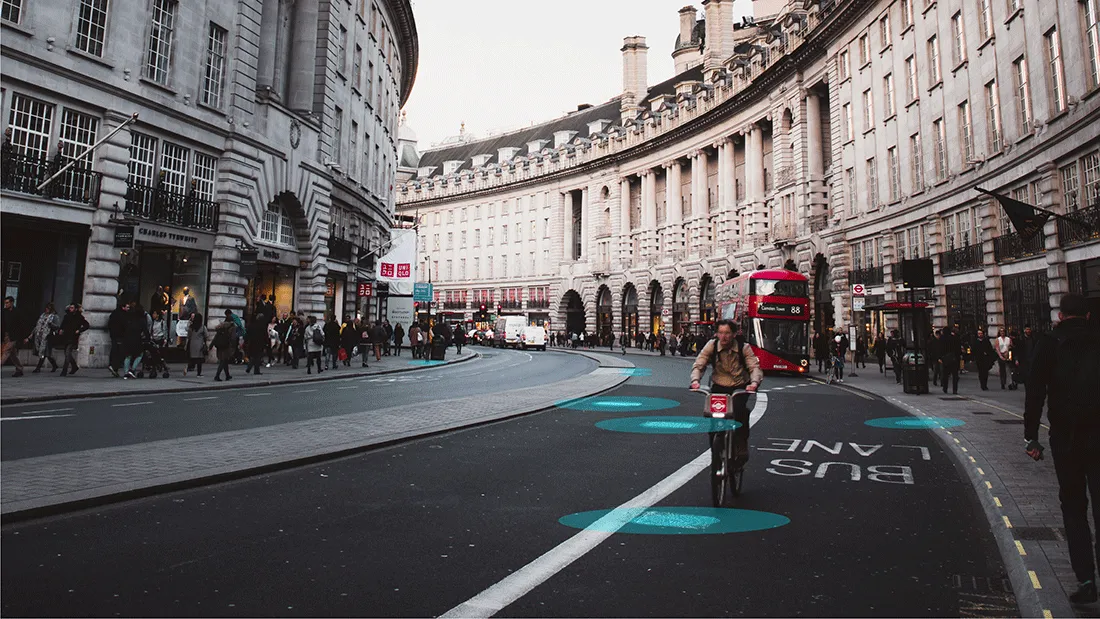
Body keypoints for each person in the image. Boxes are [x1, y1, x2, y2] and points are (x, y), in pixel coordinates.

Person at [1022, 293, 1100, 604]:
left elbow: (1035, 390)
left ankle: (1086, 579)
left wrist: (1031, 435)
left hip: (1066, 437)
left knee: (1074, 507)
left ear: (1061, 315)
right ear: (1088, 316)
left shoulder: (1050, 342)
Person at [690, 319, 763, 469]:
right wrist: (695, 380)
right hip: (719, 386)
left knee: (739, 411)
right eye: (721, 333)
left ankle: (741, 444)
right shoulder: (712, 345)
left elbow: (754, 367)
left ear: (734, 334)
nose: (724, 337)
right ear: (716, 333)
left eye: (727, 333)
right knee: (712, 416)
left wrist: (754, 383)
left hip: (739, 387)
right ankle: (716, 446)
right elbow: (700, 363)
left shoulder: (744, 348)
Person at [57, 303, 90, 377]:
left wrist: (79, 330)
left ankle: (64, 370)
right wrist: (61, 330)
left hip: (73, 337)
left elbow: (86, 325)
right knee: (66, 353)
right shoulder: (67, 316)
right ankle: (74, 366)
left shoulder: (79, 317)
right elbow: (63, 324)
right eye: (70, 308)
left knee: (68, 352)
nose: (70, 309)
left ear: (75, 309)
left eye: (72, 308)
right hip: (66, 336)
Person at [28, 302, 60, 373]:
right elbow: (37, 326)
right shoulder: (42, 315)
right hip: (39, 336)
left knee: (43, 352)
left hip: (47, 336)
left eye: (48, 308)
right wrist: (32, 334)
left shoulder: (54, 316)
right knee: (46, 353)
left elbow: (57, 326)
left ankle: (38, 367)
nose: (46, 309)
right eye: (46, 308)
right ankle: (54, 365)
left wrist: (51, 324)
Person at [121, 303, 149, 379]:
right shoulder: (142, 319)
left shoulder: (129, 317)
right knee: (140, 354)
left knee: (128, 355)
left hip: (127, 338)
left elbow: (123, 327)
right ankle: (132, 369)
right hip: (136, 339)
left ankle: (126, 372)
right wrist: (147, 339)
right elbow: (146, 331)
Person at [1, 296, 24, 377]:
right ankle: (19, 368)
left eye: (7, 303)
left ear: (12, 303)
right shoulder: (4, 312)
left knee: (6, 351)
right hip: (6, 335)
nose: (6, 304)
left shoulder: (17, 312)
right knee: (12, 354)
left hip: (14, 336)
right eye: (5, 303)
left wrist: (22, 337)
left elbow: (21, 325)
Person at [212, 315, 237, 381]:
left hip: (219, 345)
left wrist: (211, 345)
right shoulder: (232, 327)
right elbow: (233, 338)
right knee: (223, 361)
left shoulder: (221, 326)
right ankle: (217, 376)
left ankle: (227, 375)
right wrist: (234, 346)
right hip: (227, 345)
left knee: (225, 360)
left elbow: (216, 337)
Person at [107, 301, 129, 377]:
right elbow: (125, 325)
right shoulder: (124, 315)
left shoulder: (114, 314)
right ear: (123, 307)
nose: (128, 309)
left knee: (114, 349)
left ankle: (111, 365)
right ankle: (115, 366)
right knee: (120, 352)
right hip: (120, 335)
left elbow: (109, 324)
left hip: (113, 335)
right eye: (127, 307)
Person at [183, 312, 208, 377]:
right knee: (199, 361)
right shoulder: (202, 327)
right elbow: (206, 335)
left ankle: (188, 367)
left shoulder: (191, 327)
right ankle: (199, 374)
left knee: (192, 359)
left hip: (192, 344)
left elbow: (189, 336)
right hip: (199, 345)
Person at [939, 327, 962, 395]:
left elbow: (940, 349)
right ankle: (955, 389)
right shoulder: (954, 338)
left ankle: (945, 388)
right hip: (954, 359)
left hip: (945, 359)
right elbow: (958, 349)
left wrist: (940, 357)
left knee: (945, 375)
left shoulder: (942, 338)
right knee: (955, 375)